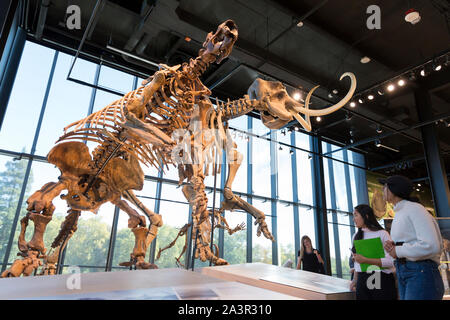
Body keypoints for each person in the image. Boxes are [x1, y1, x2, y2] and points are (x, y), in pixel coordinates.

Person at [381, 175, 444, 300]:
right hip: (409, 271)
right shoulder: (401, 212)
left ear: (392, 189)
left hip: (420, 272)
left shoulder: (414, 209)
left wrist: (397, 250)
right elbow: (409, 242)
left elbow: (431, 245)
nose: (382, 190)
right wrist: (393, 248)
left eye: (384, 186)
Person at [349, 204, 397, 300]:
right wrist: (354, 280)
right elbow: (357, 264)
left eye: (356, 215)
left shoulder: (382, 234)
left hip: (380, 277)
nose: (353, 219)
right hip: (363, 279)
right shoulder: (356, 236)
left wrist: (365, 260)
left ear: (366, 216)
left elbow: (391, 261)